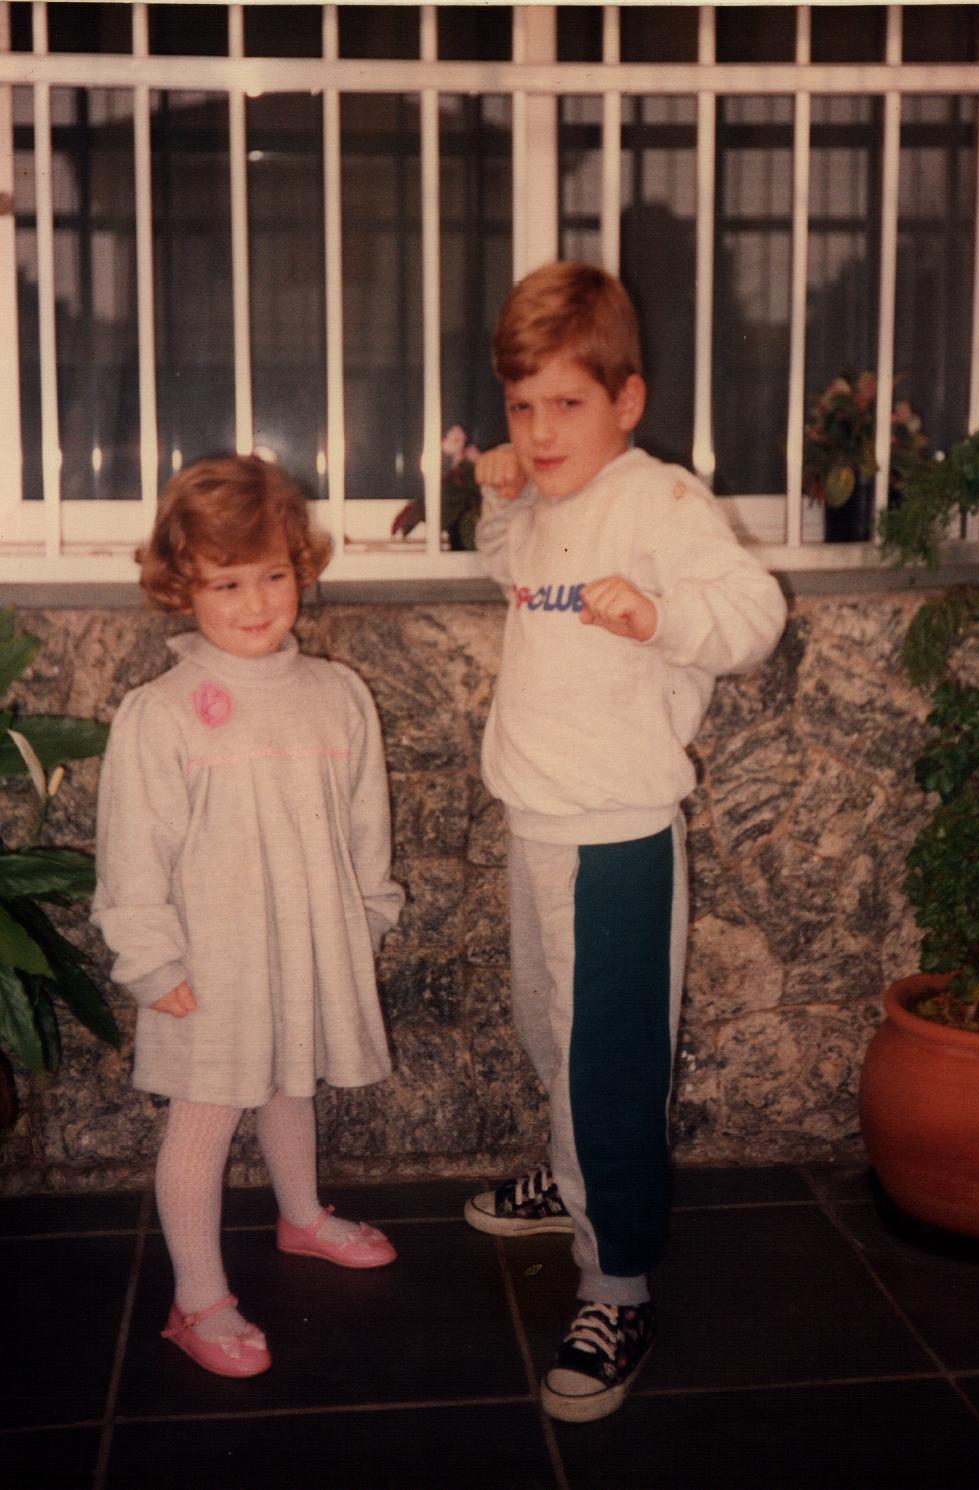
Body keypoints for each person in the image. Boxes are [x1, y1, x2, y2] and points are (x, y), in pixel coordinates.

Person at [465, 261, 787, 1422]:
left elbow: (753, 614)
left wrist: (662, 616)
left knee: (612, 1059)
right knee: (550, 1025)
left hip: (618, 839)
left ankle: (620, 1279)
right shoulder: (547, 502)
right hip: (537, 820)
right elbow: (506, 564)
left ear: (628, 400)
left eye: (567, 404)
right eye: (520, 405)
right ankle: (578, 1171)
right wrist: (502, 496)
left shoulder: (660, 501)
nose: (541, 430)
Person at [92, 455, 403, 1379]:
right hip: (211, 958)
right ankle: (198, 1300)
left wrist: (369, 915)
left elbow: (363, 821)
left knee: (290, 1081)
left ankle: (300, 1215)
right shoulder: (163, 713)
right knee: (207, 1110)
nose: (257, 601)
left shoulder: (336, 694)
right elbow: (133, 850)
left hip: (306, 943)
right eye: (227, 582)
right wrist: (151, 961)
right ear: (182, 586)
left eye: (273, 574)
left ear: (300, 570)